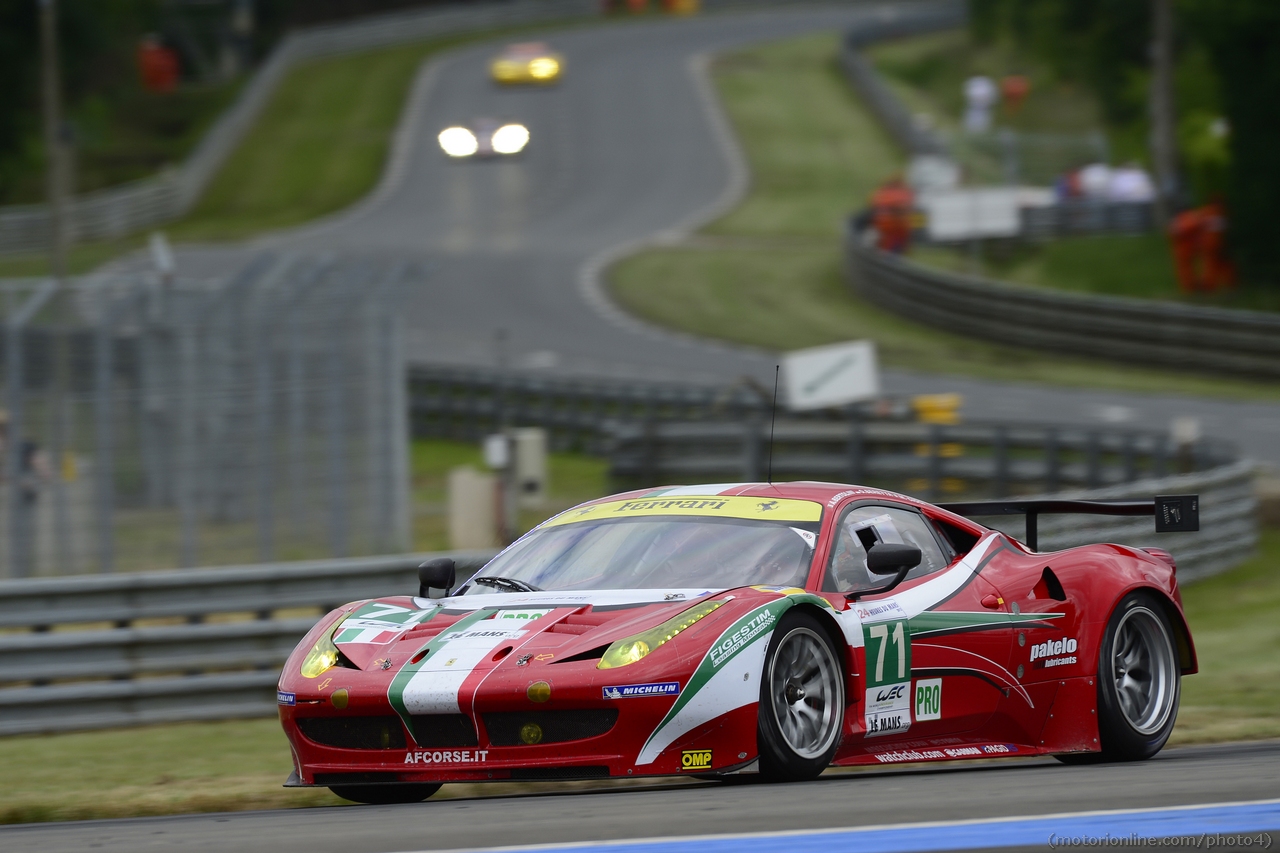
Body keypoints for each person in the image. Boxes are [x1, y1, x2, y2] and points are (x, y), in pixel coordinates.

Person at [870, 175, 914, 254]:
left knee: (893, 246)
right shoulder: (888, 194)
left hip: (894, 228)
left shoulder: (882, 194)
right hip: (889, 227)